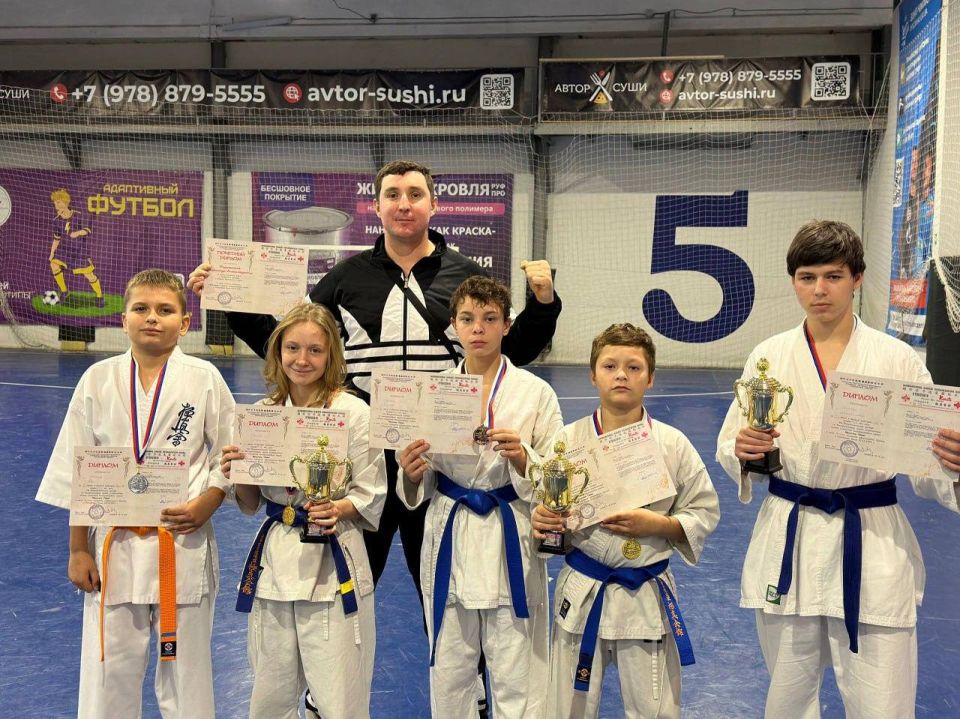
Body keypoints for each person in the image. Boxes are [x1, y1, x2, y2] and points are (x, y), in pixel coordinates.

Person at [189, 160, 560, 717]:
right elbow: (294, 339)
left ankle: (475, 691)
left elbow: (516, 348)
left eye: (415, 194)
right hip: (356, 454)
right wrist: (227, 296)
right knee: (345, 579)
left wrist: (545, 303)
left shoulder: (464, 275)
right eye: (392, 194)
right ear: (378, 206)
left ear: (433, 204)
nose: (404, 204)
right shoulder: (346, 278)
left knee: (448, 585)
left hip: (438, 461)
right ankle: (326, 692)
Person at [715, 220, 960, 719]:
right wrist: (745, 451)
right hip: (791, 536)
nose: (819, 290)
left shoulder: (897, 359)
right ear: (793, 281)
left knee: (883, 701)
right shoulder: (769, 357)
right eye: (807, 277)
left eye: (833, 276)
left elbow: (926, 463)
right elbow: (734, 442)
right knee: (788, 699)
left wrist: (950, 460)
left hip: (871, 538)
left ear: (857, 279)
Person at [35, 269, 235, 718]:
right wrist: (77, 550)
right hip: (114, 547)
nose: (152, 318)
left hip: (181, 543)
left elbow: (230, 453)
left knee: (187, 678)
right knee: (109, 674)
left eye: (165, 310)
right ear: (123, 319)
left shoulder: (204, 378)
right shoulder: (97, 379)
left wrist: (211, 499)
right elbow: (78, 470)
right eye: (141, 308)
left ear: (185, 323)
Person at [531, 323, 719, 719]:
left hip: (645, 593)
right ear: (592, 375)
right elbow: (545, 512)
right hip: (584, 589)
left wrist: (659, 526)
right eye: (610, 366)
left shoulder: (672, 443)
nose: (621, 375)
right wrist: (544, 520)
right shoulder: (566, 442)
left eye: (634, 368)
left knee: (655, 709)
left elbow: (703, 510)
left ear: (650, 378)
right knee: (567, 708)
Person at [397, 276, 563, 718]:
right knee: (451, 669)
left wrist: (525, 459)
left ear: (507, 325)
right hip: (450, 530)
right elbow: (417, 481)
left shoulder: (535, 393)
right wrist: (411, 474)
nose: (478, 328)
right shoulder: (432, 392)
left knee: (517, 670)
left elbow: (559, 473)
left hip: (511, 532)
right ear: (453, 325)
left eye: (490, 319)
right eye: (468, 318)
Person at [220, 302, 386, 719]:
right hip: (276, 562)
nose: (302, 359)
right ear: (278, 351)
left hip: (334, 556)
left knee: (340, 700)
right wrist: (238, 471)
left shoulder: (354, 413)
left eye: (315, 350)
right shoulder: (262, 415)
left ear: (331, 355)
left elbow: (371, 490)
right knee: (269, 699)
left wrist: (339, 507)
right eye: (292, 348)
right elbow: (251, 502)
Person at [49, 188, 104, 307]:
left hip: (80, 251)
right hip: (65, 250)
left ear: (65, 202)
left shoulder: (78, 215)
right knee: (54, 264)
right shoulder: (56, 220)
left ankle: (100, 297)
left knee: (89, 274)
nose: (56, 205)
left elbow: (87, 230)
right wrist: (52, 253)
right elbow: (56, 239)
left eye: (58, 202)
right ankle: (64, 291)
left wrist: (77, 233)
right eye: (55, 203)